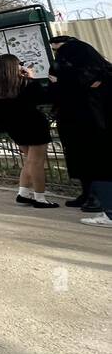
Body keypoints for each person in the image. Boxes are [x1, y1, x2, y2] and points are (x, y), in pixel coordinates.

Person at [47, 37, 112, 227]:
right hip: (76, 125)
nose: (59, 56)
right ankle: (88, 194)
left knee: (96, 162)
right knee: (84, 161)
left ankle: (100, 201)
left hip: (93, 126)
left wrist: (61, 83)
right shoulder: (79, 71)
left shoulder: (97, 74)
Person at [0, 53, 58, 209]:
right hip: (34, 126)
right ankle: (40, 198)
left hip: (14, 127)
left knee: (29, 160)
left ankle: (23, 193)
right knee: (37, 162)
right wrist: (31, 78)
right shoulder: (24, 84)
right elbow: (43, 98)